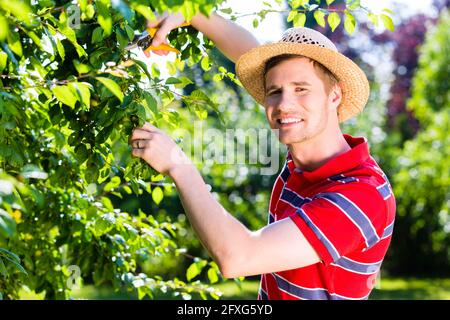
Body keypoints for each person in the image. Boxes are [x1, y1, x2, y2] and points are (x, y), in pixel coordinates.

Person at [129, 12, 396, 300]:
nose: (284, 105)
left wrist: (177, 165)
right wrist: (193, 13)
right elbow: (248, 50)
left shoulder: (361, 194)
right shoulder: (305, 149)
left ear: (334, 96)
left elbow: (238, 258)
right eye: (275, 92)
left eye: (301, 89)